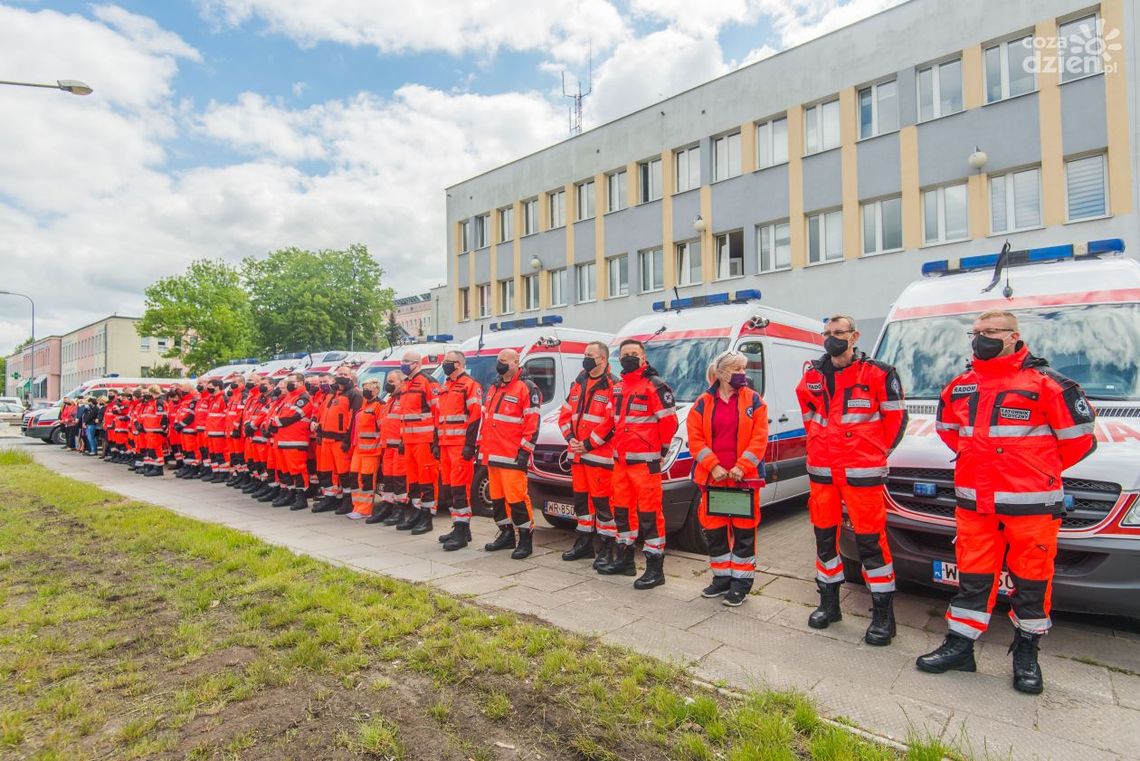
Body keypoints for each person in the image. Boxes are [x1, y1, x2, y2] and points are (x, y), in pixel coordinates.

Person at [916, 310, 1097, 694]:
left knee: (1031, 584)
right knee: (972, 581)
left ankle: (1026, 656)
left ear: (1014, 336)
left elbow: (1080, 441)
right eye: (976, 332)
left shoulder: (1048, 384)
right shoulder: (960, 386)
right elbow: (950, 432)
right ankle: (960, 648)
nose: (980, 338)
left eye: (989, 332)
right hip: (975, 507)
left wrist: (1031, 469)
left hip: (1030, 508)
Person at [796, 314, 907, 645]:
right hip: (822, 474)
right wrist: (820, 444)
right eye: (827, 333)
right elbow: (809, 415)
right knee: (825, 542)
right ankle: (829, 605)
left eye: (838, 332)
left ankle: (884, 616)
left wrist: (871, 453)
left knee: (872, 545)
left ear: (854, 336)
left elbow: (896, 421)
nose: (832, 338)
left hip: (862, 474)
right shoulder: (813, 375)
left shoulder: (879, 373)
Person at [687, 351, 769, 607]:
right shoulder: (702, 402)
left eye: (743, 367)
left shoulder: (754, 401)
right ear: (721, 373)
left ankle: (741, 585)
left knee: (744, 535)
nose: (742, 373)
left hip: (743, 482)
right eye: (736, 368)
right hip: (714, 481)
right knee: (715, 533)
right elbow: (695, 439)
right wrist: (713, 466)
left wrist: (742, 467)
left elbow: (760, 438)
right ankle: (721, 580)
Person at [602, 339, 678, 589]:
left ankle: (655, 570)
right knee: (622, 513)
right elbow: (611, 422)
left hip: (645, 464)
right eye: (625, 354)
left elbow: (669, 423)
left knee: (650, 516)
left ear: (644, 358)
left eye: (634, 354)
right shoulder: (619, 388)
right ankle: (625, 560)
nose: (629, 357)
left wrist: (661, 452)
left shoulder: (654, 386)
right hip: (621, 463)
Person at [478, 349, 542, 559]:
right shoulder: (495, 386)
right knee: (497, 499)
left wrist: (525, 451)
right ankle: (506, 535)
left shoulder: (527, 388)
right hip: (493, 454)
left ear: (516, 362)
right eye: (498, 360)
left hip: (512, 456)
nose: (500, 364)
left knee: (517, 500)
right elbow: (487, 419)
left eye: (504, 361)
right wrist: (481, 447)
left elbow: (532, 423)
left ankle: (525, 539)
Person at [557, 341, 617, 566]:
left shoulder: (613, 385)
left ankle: (606, 548)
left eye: (589, 355)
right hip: (578, 456)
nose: (585, 358)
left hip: (599, 457)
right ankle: (583, 544)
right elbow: (565, 414)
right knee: (581, 503)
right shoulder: (578, 383)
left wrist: (589, 444)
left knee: (603, 505)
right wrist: (570, 438)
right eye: (585, 354)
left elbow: (611, 422)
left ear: (602, 359)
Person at [436, 350, 483, 551]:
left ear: (459, 364)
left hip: (460, 446)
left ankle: (461, 532)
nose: (445, 364)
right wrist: (436, 443)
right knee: (448, 488)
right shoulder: (445, 386)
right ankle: (460, 526)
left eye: (449, 362)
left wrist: (469, 445)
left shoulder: (470, 385)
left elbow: (475, 417)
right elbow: (438, 417)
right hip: (445, 444)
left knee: (460, 489)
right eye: (444, 361)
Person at [396, 351, 441, 534]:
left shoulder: (427, 382)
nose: (403, 364)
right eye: (402, 361)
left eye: (407, 361)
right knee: (413, 480)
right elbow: (404, 416)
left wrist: (436, 440)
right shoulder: (406, 383)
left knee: (427, 479)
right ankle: (415, 513)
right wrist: (401, 439)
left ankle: (427, 517)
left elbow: (437, 411)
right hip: (409, 440)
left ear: (417, 363)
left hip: (424, 440)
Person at [313, 367, 363, 514]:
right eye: (339, 373)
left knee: (344, 473)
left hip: (340, 440)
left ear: (351, 377)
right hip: (326, 439)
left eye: (345, 374)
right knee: (326, 472)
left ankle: (348, 500)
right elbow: (324, 414)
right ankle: (330, 498)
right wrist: (319, 429)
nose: (341, 376)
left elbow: (354, 419)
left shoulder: (354, 394)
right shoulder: (332, 393)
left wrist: (347, 440)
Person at [371, 370, 410, 526]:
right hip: (388, 446)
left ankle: (399, 511)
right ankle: (387, 506)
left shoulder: (406, 399)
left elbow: (409, 421)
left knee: (399, 480)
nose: (388, 384)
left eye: (392, 381)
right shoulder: (390, 400)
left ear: (402, 382)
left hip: (399, 447)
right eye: (388, 381)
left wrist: (404, 441)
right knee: (388, 479)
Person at [270, 372, 314, 510]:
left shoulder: (303, 397)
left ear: (301, 383)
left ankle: (301, 497)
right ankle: (290, 493)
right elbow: (278, 414)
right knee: (285, 470)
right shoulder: (289, 397)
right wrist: (273, 422)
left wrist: (274, 423)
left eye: (292, 381)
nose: (289, 383)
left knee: (297, 470)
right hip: (283, 440)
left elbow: (291, 417)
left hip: (296, 440)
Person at [346, 378, 384, 520]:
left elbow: (382, 429)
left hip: (371, 451)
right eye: (364, 387)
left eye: (369, 387)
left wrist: (379, 447)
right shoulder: (364, 405)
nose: (365, 390)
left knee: (367, 480)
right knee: (355, 478)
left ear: (376, 390)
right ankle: (357, 506)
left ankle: (365, 509)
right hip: (358, 449)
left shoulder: (379, 406)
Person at [139, 385, 169, 476]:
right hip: (150, 430)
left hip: (156, 430)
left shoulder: (159, 402)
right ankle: (153, 466)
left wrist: (163, 428)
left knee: (156, 449)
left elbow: (162, 416)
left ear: (152, 392)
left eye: (148, 393)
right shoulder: (153, 402)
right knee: (151, 450)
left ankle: (158, 468)